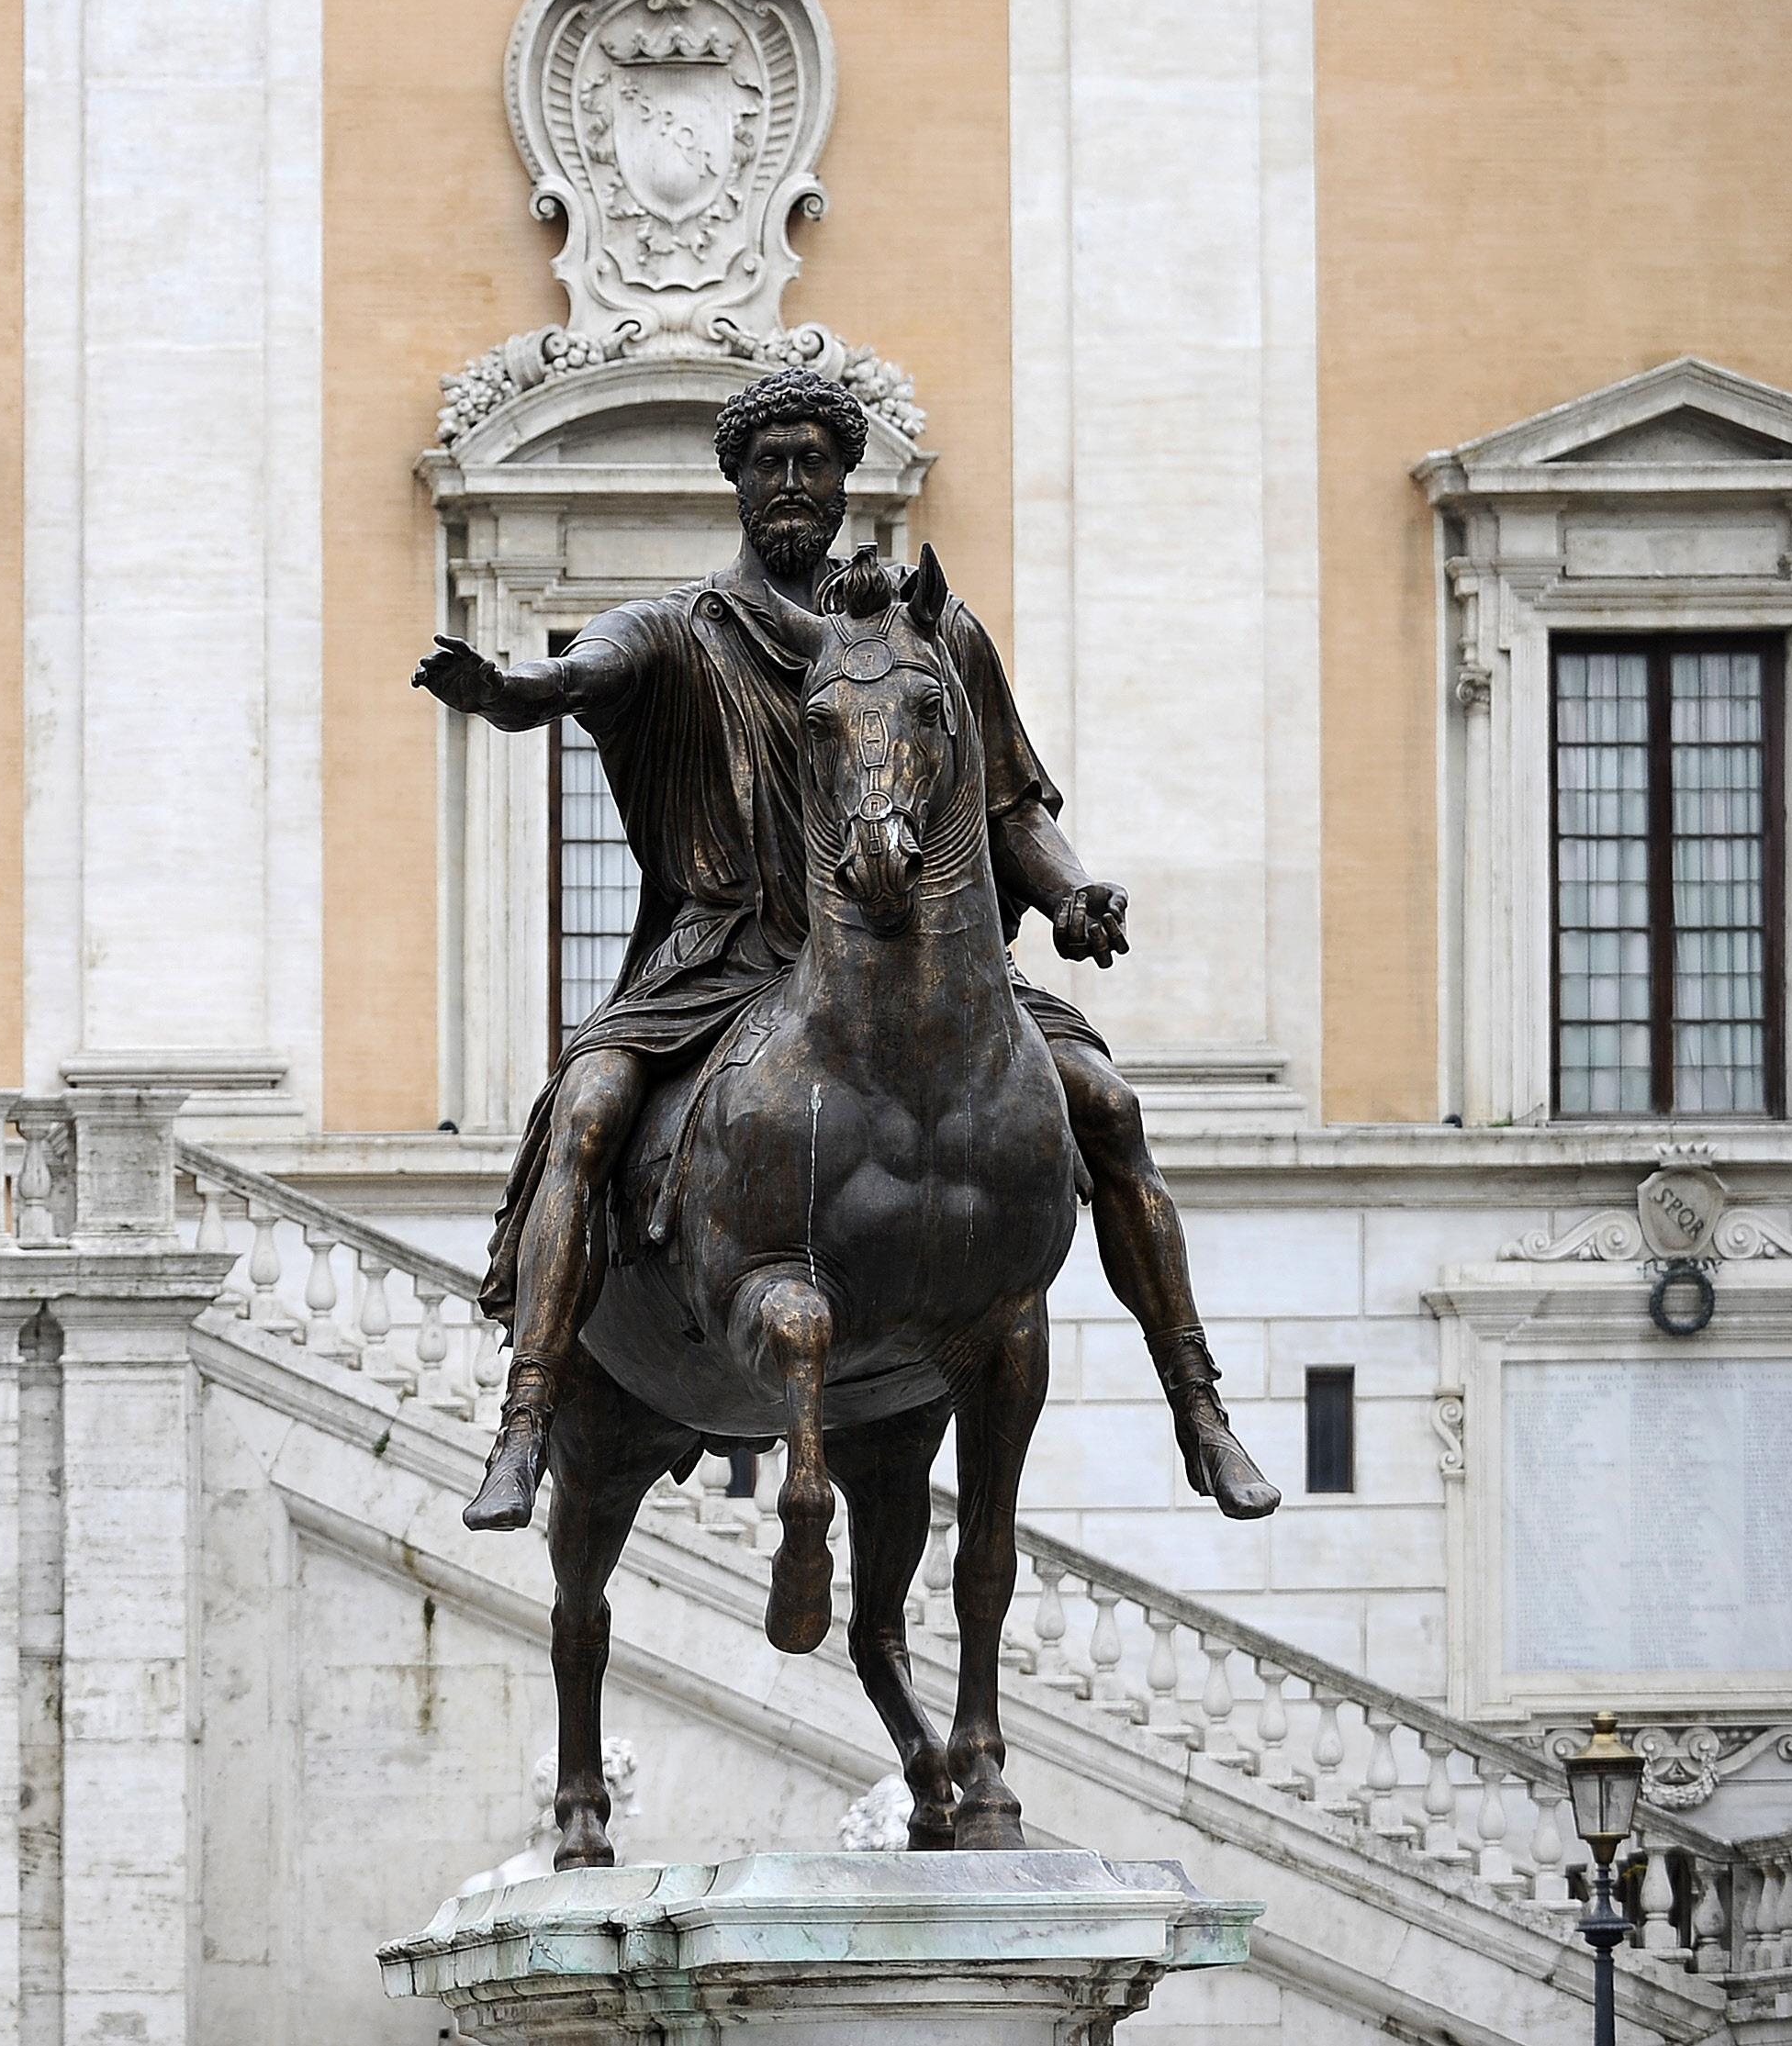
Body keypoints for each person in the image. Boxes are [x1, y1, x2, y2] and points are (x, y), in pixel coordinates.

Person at [415, 363, 1280, 1535]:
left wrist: (1074, 894)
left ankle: (1196, 1400)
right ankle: (524, 1419)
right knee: (586, 1109)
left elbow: (1011, 809)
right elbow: (587, 668)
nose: (788, 483)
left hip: (920, 969)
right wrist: (518, 686)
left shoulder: (933, 634)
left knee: (1107, 1106)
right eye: (765, 463)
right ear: (735, 485)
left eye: (809, 462)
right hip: (721, 965)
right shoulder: (686, 629)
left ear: (840, 481)